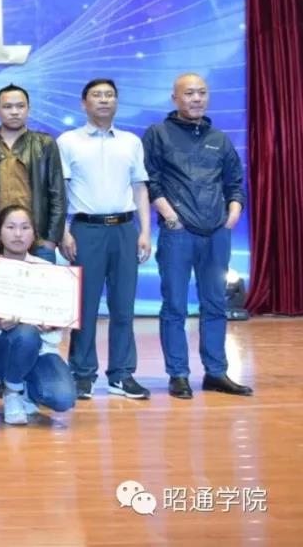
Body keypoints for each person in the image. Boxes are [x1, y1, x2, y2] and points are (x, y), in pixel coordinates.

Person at [142, 73, 251, 398]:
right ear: (174, 97)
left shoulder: (219, 138)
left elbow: (234, 182)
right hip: (178, 233)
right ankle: (178, 374)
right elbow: (150, 180)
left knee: (215, 304)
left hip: (217, 233)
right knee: (175, 305)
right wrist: (170, 216)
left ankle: (216, 372)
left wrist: (232, 214)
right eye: (189, 93)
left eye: (202, 92)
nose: (196, 98)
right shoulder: (158, 134)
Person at [58, 79, 153, 401]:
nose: (103, 100)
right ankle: (82, 374)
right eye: (97, 95)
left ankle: (122, 375)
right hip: (86, 230)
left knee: (123, 306)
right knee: (84, 307)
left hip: (125, 229)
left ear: (116, 101)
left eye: (109, 95)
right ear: (83, 103)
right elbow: (61, 190)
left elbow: (140, 187)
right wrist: (63, 231)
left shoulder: (131, 142)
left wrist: (145, 231)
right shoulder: (68, 141)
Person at [0, 205, 77, 425]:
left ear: (34, 234)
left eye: (25, 227)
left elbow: (59, 325)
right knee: (26, 332)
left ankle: (25, 389)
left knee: (63, 398)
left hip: (40, 352)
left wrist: (51, 325)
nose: (18, 234)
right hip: (1, 352)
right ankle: (12, 392)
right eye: (10, 227)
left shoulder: (47, 271)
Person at [0, 84, 66, 264]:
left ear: (28, 109)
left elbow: (58, 195)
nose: (14, 112)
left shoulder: (45, 144)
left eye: (20, 106)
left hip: (39, 242)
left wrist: (51, 239)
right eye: (7, 107)